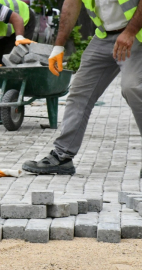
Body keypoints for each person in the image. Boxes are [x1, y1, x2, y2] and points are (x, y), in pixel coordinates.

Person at [20, 0, 142, 175]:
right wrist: (59, 46)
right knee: (79, 92)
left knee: (133, 88)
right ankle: (62, 157)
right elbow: (71, 5)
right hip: (105, 36)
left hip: (137, 34)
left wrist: (130, 32)